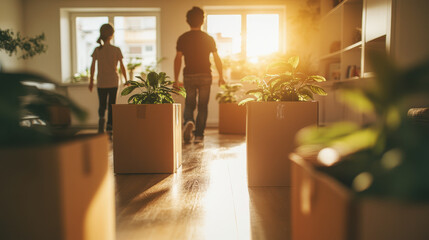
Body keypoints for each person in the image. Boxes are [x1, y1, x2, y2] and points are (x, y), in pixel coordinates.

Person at [174, 6, 225, 143]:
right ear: (203, 20)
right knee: (203, 106)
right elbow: (216, 58)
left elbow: (178, 59)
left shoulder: (183, 38)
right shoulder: (208, 38)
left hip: (189, 76)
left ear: (187, 21)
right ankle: (198, 135)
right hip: (205, 75)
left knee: (189, 104)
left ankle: (189, 122)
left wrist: (175, 79)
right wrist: (221, 76)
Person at [89, 23, 127, 133]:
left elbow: (92, 67)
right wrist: (126, 79)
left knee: (102, 103)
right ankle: (110, 125)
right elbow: (122, 66)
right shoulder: (116, 49)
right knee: (112, 104)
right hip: (113, 81)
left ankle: (101, 120)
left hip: (101, 81)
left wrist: (91, 81)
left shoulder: (97, 50)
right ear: (112, 35)